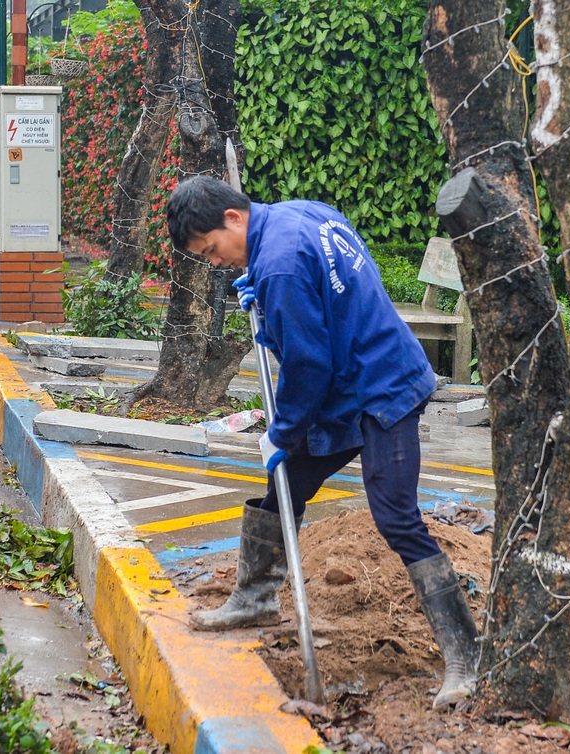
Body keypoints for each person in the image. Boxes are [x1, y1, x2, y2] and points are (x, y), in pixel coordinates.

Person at [166, 175, 479, 710]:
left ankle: (466, 656)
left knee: (396, 515)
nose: (217, 263)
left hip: (384, 388)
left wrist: (281, 433)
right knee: (283, 485)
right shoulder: (302, 213)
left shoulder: (278, 266)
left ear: (234, 219)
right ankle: (254, 598)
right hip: (347, 384)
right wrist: (262, 292)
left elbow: (307, 367)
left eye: (213, 250)